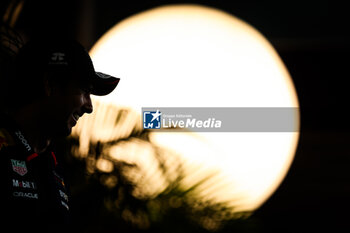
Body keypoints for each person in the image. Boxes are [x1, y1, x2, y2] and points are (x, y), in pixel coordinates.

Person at [0, 38, 119, 232]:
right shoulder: (5, 147)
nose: (89, 107)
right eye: (84, 90)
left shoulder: (54, 162)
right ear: (50, 85)